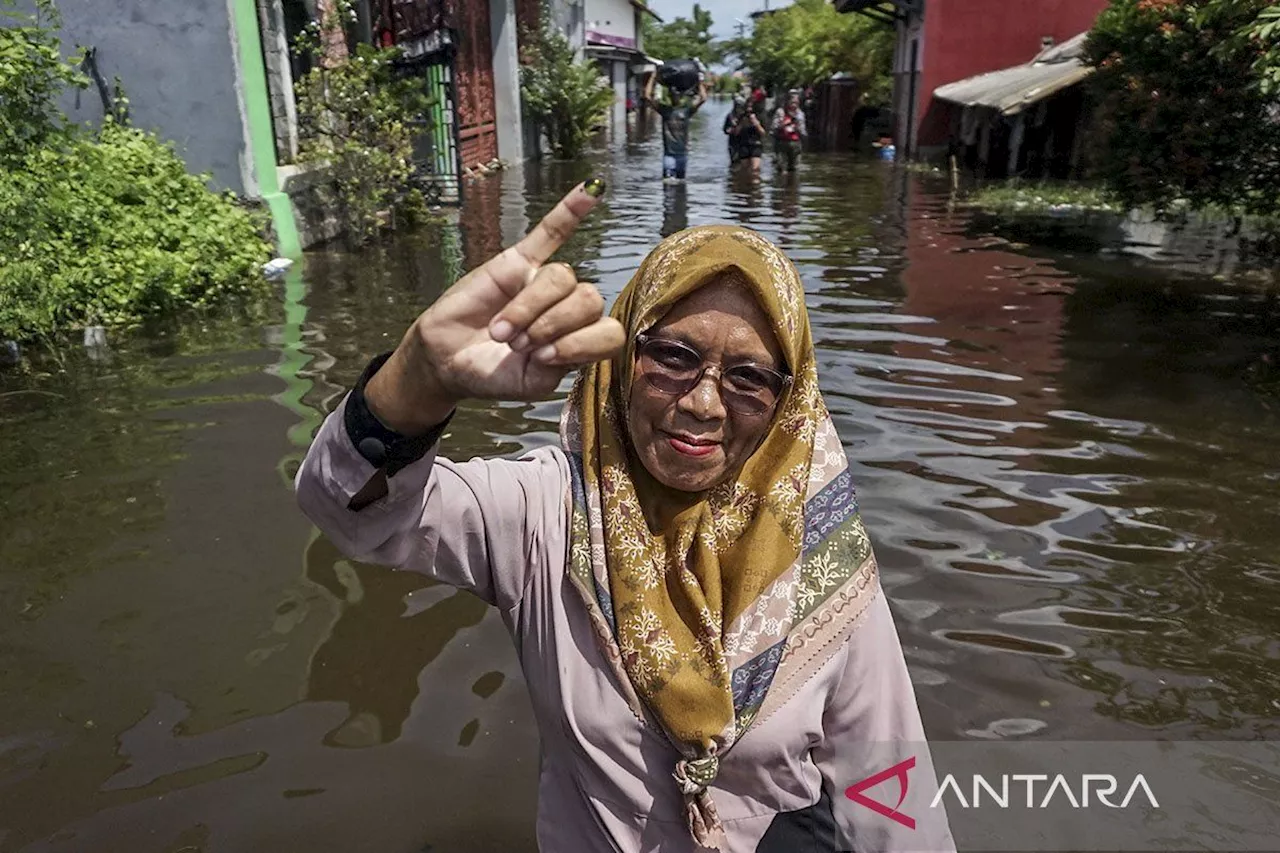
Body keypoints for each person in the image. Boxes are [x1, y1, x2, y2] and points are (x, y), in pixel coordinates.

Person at [295, 179, 955, 852]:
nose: (702, 402)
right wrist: (418, 376)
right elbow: (350, 510)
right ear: (621, 358)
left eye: (748, 377)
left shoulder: (821, 551)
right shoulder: (547, 512)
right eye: (673, 356)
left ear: (788, 402)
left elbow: (890, 783)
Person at [645, 71, 707, 182]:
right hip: (669, 155)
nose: (675, 97)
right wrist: (653, 78)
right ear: (670, 97)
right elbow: (647, 96)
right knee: (669, 184)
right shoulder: (665, 110)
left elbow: (703, 99)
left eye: (677, 95)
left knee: (680, 185)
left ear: (680, 96)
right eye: (673, 95)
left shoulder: (686, 111)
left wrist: (699, 81)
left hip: (682, 155)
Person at [724, 93, 766, 174]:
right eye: (748, 106)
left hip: (756, 144)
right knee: (744, 170)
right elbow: (735, 133)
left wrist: (756, 124)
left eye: (751, 106)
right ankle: (745, 183)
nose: (749, 109)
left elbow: (763, 133)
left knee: (755, 170)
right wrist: (741, 124)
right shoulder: (739, 116)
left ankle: (755, 184)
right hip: (743, 145)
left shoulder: (760, 116)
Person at [771, 90, 807, 174]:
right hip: (781, 143)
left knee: (794, 169)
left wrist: (798, 127)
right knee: (781, 169)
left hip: (795, 143)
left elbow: (803, 132)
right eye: (792, 102)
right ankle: (781, 185)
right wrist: (783, 124)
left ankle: (793, 186)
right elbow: (773, 128)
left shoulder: (800, 114)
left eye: (796, 102)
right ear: (787, 101)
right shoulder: (780, 112)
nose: (794, 104)